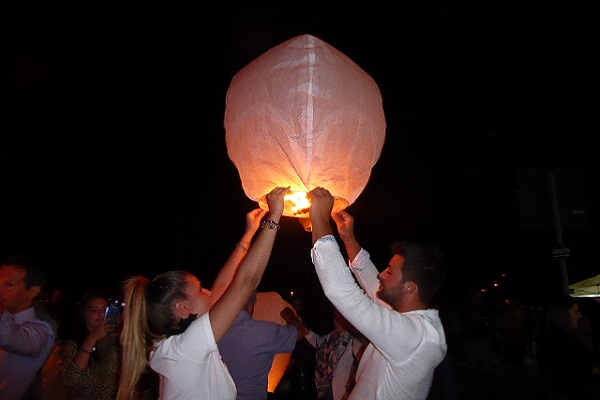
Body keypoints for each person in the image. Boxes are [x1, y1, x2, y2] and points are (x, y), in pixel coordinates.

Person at [116, 186, 288, 400]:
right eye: (199, 289)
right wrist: (273, 219)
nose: (208, 292)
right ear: (182, 307)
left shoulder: (173, 345)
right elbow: (245, 284)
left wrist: (249, 233)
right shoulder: (186, 348)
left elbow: (225, 285)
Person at [306, 187, 447, 400]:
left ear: (410, 287)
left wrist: (319, 219)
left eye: (390, 271)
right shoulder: (407, 319)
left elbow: (342, 292)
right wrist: (348, 238)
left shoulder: (415, 338)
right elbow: (372, 284)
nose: (381, 275)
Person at [218, 290, 308, 400]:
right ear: (252, 302)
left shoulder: (215, 328)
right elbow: (298, 331)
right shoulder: (263, 332)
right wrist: (289, 314)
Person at [0, 254, 55, 400]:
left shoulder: (42, 331)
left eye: (9, 285)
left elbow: (8, 336)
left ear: (33, 291)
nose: (1, 291)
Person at [535, 295, 600, 399]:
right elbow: (576, 378)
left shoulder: (548, 340)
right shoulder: (567, 345)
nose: (580, 316)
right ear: (562, 315)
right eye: (575, 311)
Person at [60, 291, 121, 400]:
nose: (100, 314)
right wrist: (91, 339)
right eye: (94, 310)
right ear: (84, 314)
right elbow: (70, 379)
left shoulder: (120, 343)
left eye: (105, 309)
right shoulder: (73, 345)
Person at [303, 306, 368, 400]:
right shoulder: (332, 336)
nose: (336, 322)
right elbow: (320, 344)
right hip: (324, 388)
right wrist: (306, 332)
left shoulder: (355, 339)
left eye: (340, 318)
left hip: (341, 391)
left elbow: (363, 362)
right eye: (335, 318)